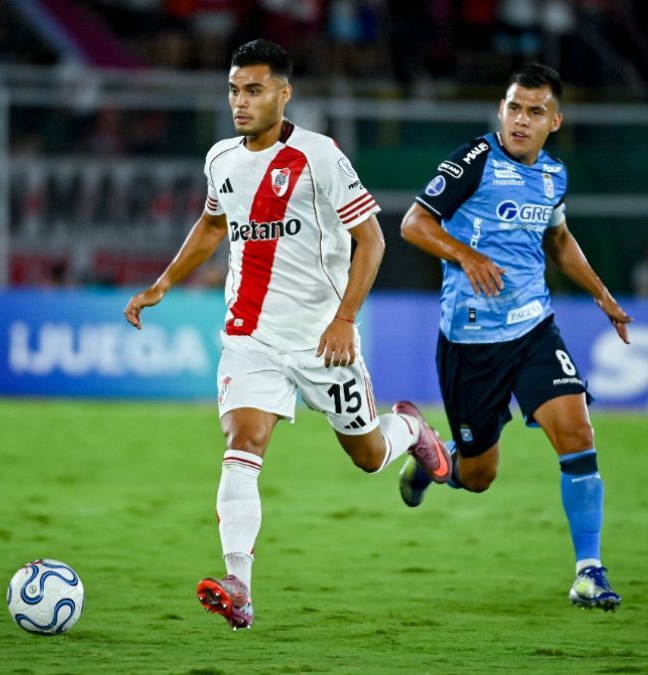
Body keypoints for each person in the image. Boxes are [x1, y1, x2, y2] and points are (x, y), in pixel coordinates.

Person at [122, 39, 451, 631]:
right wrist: (163, 283)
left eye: (253, 90)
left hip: (325, 340)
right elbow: (213, 223)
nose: (240, 102)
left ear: (283, 92)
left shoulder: (319, 156)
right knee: (242, 446)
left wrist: (345, 318)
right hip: (251, 336)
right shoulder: (221, 158)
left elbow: (371, 240)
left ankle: (412, 428)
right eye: (233, 90)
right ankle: (239, 585)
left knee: (369, 457)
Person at [398, 63, 632, 611]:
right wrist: (466, 253)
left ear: (555, 120)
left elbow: (559, 238)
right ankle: (436, 458)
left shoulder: (554, 175)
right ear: (500, 110)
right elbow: (413, 223)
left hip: (532, 327)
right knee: (479, 476)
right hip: (471, 340)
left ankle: (588, 571)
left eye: (534, 111)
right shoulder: (474, 162)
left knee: (576, 432)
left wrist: (600, 293)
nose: (520, 120)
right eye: (513, 108)